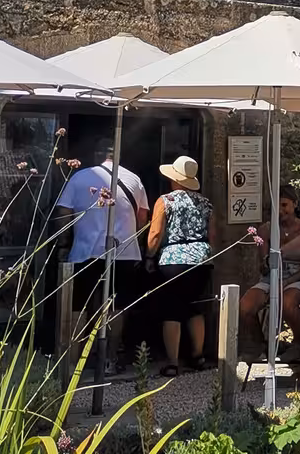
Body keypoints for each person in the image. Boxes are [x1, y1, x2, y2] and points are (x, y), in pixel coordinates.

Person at [54, 138, 149, 351]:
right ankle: (109, 359)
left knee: (79, 305)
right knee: (115, 307)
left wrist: (63, 244)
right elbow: (143, 218)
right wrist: (135, 242)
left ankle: (72, 359)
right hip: (123, 252)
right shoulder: (134, 179)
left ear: (98, 154)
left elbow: (64, 213)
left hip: (84, 252)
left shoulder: (79, 177)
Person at [145, 155, 217, 374]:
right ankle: (198, 357)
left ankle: (172, 363)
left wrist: (149, 256)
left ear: (174, 179)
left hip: (173, 260)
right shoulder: (206, 203)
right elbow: (213, 235)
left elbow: (156, 233)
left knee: (172, 309)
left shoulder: (165, 201)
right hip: (202, 260)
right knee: (194, 306)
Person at [240, 185, 300, 341]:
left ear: (295, 204)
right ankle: (260, 346)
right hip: (271, 277)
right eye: (277, 206)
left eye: (284, 205)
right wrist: (266, 263)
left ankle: (299, 344)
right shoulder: (266, 230)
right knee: (244, 307)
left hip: (297, 277)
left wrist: (285, 282)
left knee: (286, 303)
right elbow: (263, 267)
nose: (280, 210)